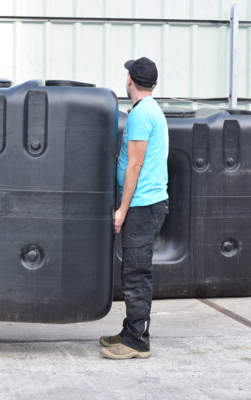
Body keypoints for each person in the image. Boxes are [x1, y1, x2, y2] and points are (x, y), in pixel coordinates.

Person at [100, 57, 169, 359]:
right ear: (154, 83)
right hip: (146, 204)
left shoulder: (141, 115)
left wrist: (122, 209)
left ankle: (137, 341)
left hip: (142, 205)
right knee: (133, 270)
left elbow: (135, 165)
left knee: (136, 273)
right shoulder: (150, 110)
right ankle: (131, 329)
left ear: (130, 81)